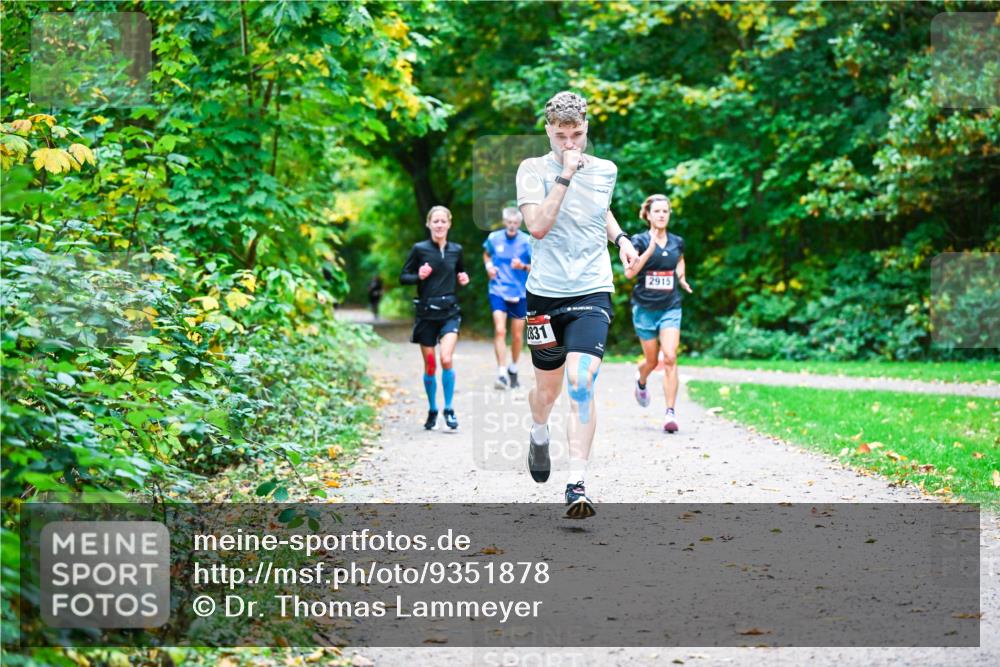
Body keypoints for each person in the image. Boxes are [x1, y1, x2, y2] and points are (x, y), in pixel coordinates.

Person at [516, 91, 638, 519]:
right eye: (562, 135)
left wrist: (621, 239)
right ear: (548, 130)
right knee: (546, 393)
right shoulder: (532, 170)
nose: (570, 144)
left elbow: (598, 210)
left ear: (587, 129)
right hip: (545, 294)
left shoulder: (606, 170)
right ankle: (538, 430)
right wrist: (565, 176)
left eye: (578, 135)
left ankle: (577, 482)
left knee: (582, 382)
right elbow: (538, 226)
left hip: (591, 289)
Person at [624, 194, 693, 432]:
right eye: (657, 211)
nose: (662, 215)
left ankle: (670, 414)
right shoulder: (639, 241)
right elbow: (630, 273)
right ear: (648, 215)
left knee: (670, 357)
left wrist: (681, 278)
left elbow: (680, 260)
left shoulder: (677, 242)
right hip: (644, 309)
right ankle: (641, 380)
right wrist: (650, 248)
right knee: (652, 361)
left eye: (665, 211)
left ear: (669, 214)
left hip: (670, 307)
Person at [399, 206, 470, 431]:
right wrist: (417, 276)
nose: (439, 225)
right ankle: (432, 409)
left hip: (449, 311)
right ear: (429, 224)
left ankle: (449, 409)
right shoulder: (419, 249)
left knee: (446, 359)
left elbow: (461, 271)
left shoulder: (456, 250)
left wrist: (463, 278)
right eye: (435, 221)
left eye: (443, 221)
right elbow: (403, 277)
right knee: (430, 366)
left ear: (449, 224)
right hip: (426, 313)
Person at [483, 207, 532, 390]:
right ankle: (502, 372)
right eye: (509, 223)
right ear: (505, 222)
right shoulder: (494, 238)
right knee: (500, 330)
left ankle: (513, 368)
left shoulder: (527, 241)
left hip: (520, 293)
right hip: (498, 290)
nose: (512, 226)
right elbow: (486, 254)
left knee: (518, 335)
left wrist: (523, 266)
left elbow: (537, 267)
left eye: (515, 223)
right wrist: (489, 267)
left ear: (519, 224)